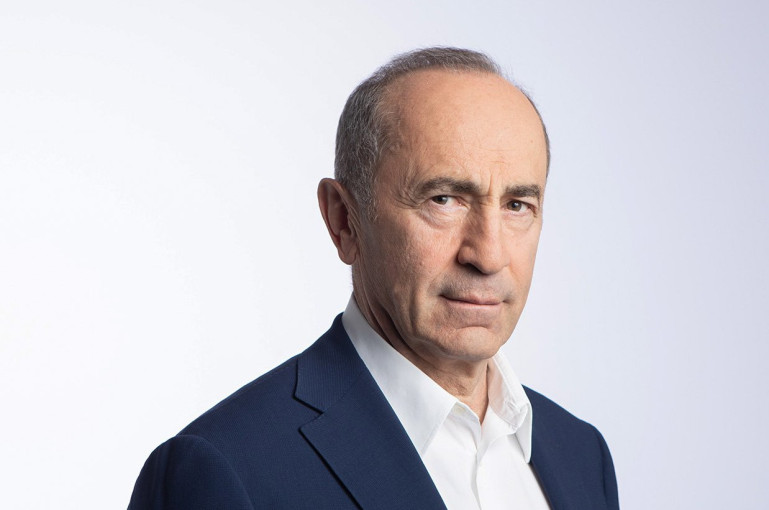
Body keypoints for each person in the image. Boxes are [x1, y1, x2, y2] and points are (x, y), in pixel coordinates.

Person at [129, 47, 619, 510]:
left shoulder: (582, 456)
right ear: (344, 220)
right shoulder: (224, 470)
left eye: (517, 205)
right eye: (443, 200)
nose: (488, 256)